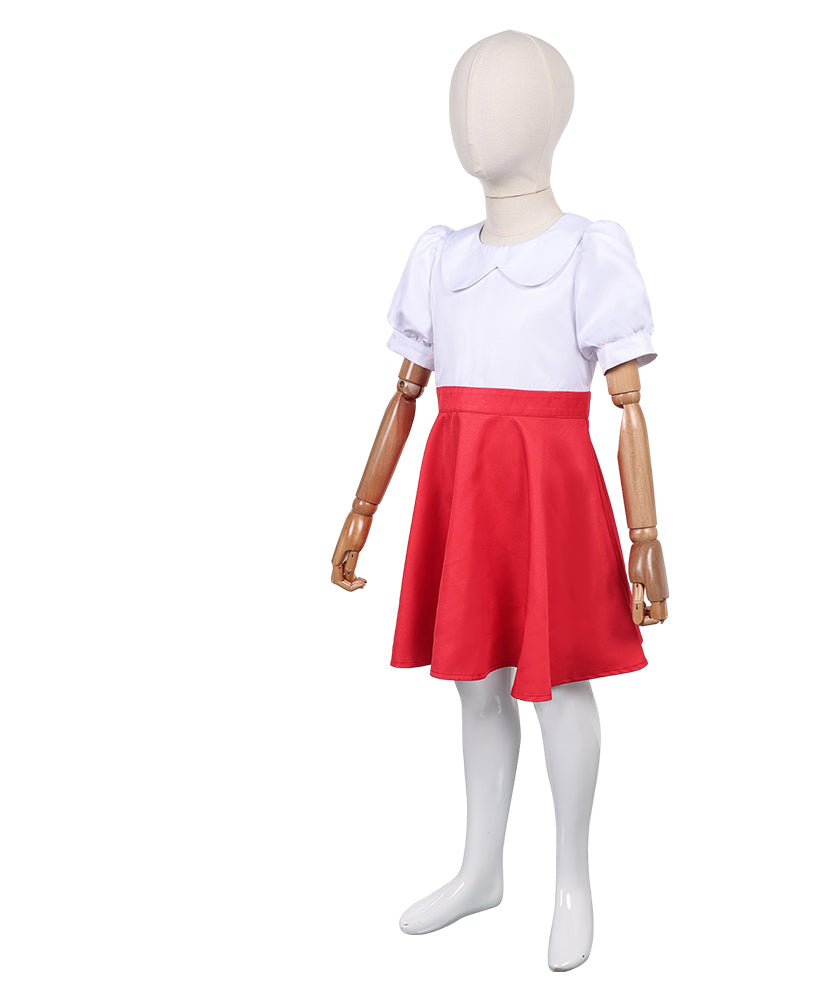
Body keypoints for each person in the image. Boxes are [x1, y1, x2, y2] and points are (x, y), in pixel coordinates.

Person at [331, 30, 668, 972]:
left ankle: (572, 881)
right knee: (475, 680)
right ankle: (480, 867)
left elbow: (628, 405)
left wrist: (644, 534)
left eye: (500, 96)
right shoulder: (438, 256)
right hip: (463, 481)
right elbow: (405, 395)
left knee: (556, 680)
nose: (474, 117)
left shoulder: (589, 251)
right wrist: (361, 508)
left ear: (553, 115)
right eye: (463, 95)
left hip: (550, 487)